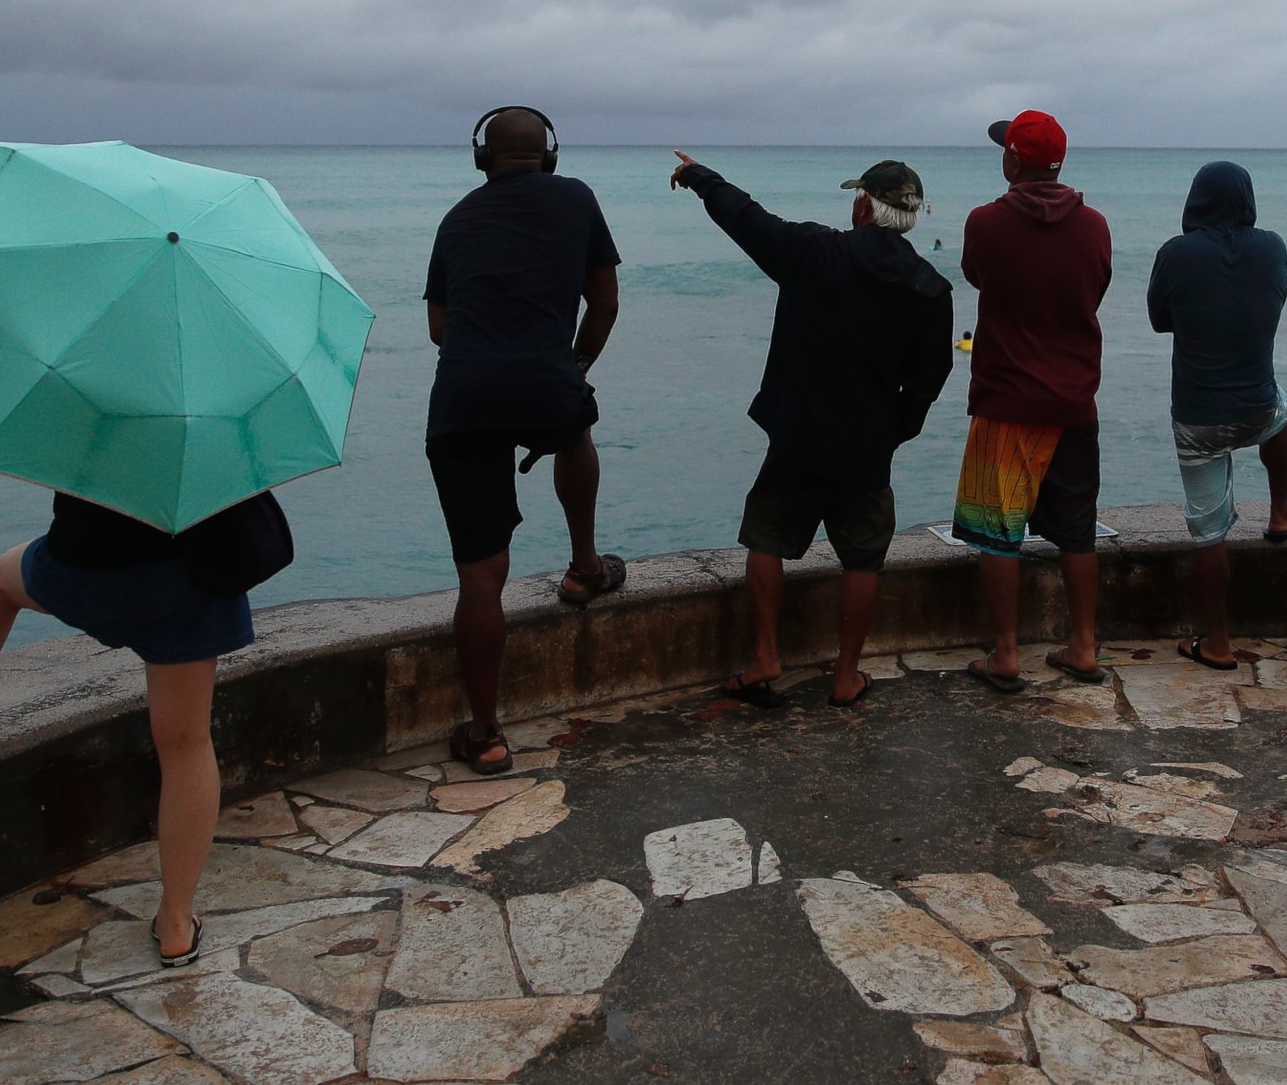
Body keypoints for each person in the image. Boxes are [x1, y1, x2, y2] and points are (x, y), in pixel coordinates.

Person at [0, 488, 286, 969]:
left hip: (87, 570)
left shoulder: (92, 411)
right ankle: (176, 924)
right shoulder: (210, 416)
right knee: (186, 745)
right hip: (186, 584)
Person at [668, 152, 954, 708]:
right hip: (868, 442)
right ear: (912, 217)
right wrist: (897, 429)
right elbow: (931, 376)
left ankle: (766, 655)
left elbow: (747, 219)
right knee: (865, 556)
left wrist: (701, 176)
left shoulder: (817, 251)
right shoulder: (930, 288)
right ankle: (846, 675)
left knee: (766, 539)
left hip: (798, 432)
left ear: (864, 206)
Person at [424, 106, 622, 776]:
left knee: (482, 580)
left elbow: (438, 328)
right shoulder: (576, 198)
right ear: (549, 154)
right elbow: (604, 302)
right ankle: (585, 567)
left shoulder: (456, 219)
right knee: (576, 425)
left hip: (463, 399)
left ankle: (485, 735)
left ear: (484, 158)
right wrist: (574, 365)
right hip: (545, 382)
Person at [952, 110, 1113, 691]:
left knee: (997, 530)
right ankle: (1085, 647)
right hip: (1074, 399)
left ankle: (1005, 653)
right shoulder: (1094, 225)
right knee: (1078, 531)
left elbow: (976, 276)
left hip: (1006, 400)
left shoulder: (985, 223)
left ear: (1013, 160)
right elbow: (1095, 287)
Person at [1149, 161, 1287, 670]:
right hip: (1258, 405)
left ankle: (1217, 642)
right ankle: (1281, 512)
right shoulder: (1273, 246)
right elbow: (1276, 298)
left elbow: (1158, 321)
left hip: (1198, 416)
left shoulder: (1176, 254)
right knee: (1281, 412)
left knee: (1209, 531)